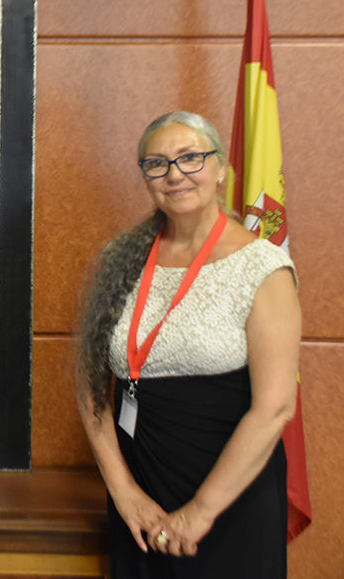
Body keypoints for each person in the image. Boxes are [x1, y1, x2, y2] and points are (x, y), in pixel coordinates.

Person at [75, 111, 301, 577]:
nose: (174, 174)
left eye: (191, 158)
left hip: (232, 495)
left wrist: (201, 510)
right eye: (156, 163)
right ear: (146, 177)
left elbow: (275, 408)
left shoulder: (261, 267)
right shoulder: (119, 261)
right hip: (141, 498)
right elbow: (91, 390)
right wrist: (125, 494)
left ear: (220, 169)